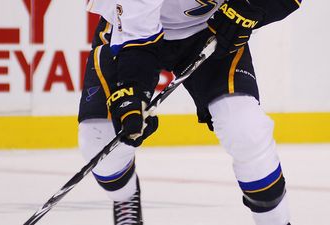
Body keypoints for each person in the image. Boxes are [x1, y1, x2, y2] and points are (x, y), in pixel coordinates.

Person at [78, 0, 301, 224]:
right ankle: (125, 198)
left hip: (211, 27)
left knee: (245, 130)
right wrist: (133, 92)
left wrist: (253, 6)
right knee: (97, 137)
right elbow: (137, 40)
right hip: (129, 28)